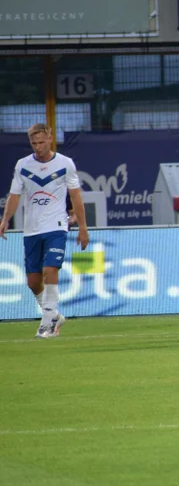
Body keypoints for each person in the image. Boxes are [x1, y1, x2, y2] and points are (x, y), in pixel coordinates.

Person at [0, 123, 89, 338]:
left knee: (50, 269)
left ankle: (48, 321)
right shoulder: (23, 165)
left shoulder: (65, 163)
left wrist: (83, 228)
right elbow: (14, 195)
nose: (38, 146)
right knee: (33, 282)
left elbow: (76, 196)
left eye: (41, 142)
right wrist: (5, 219)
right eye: (34, 143)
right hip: (31, 229)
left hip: (57, 226)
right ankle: (55, 314)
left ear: (50, 139)